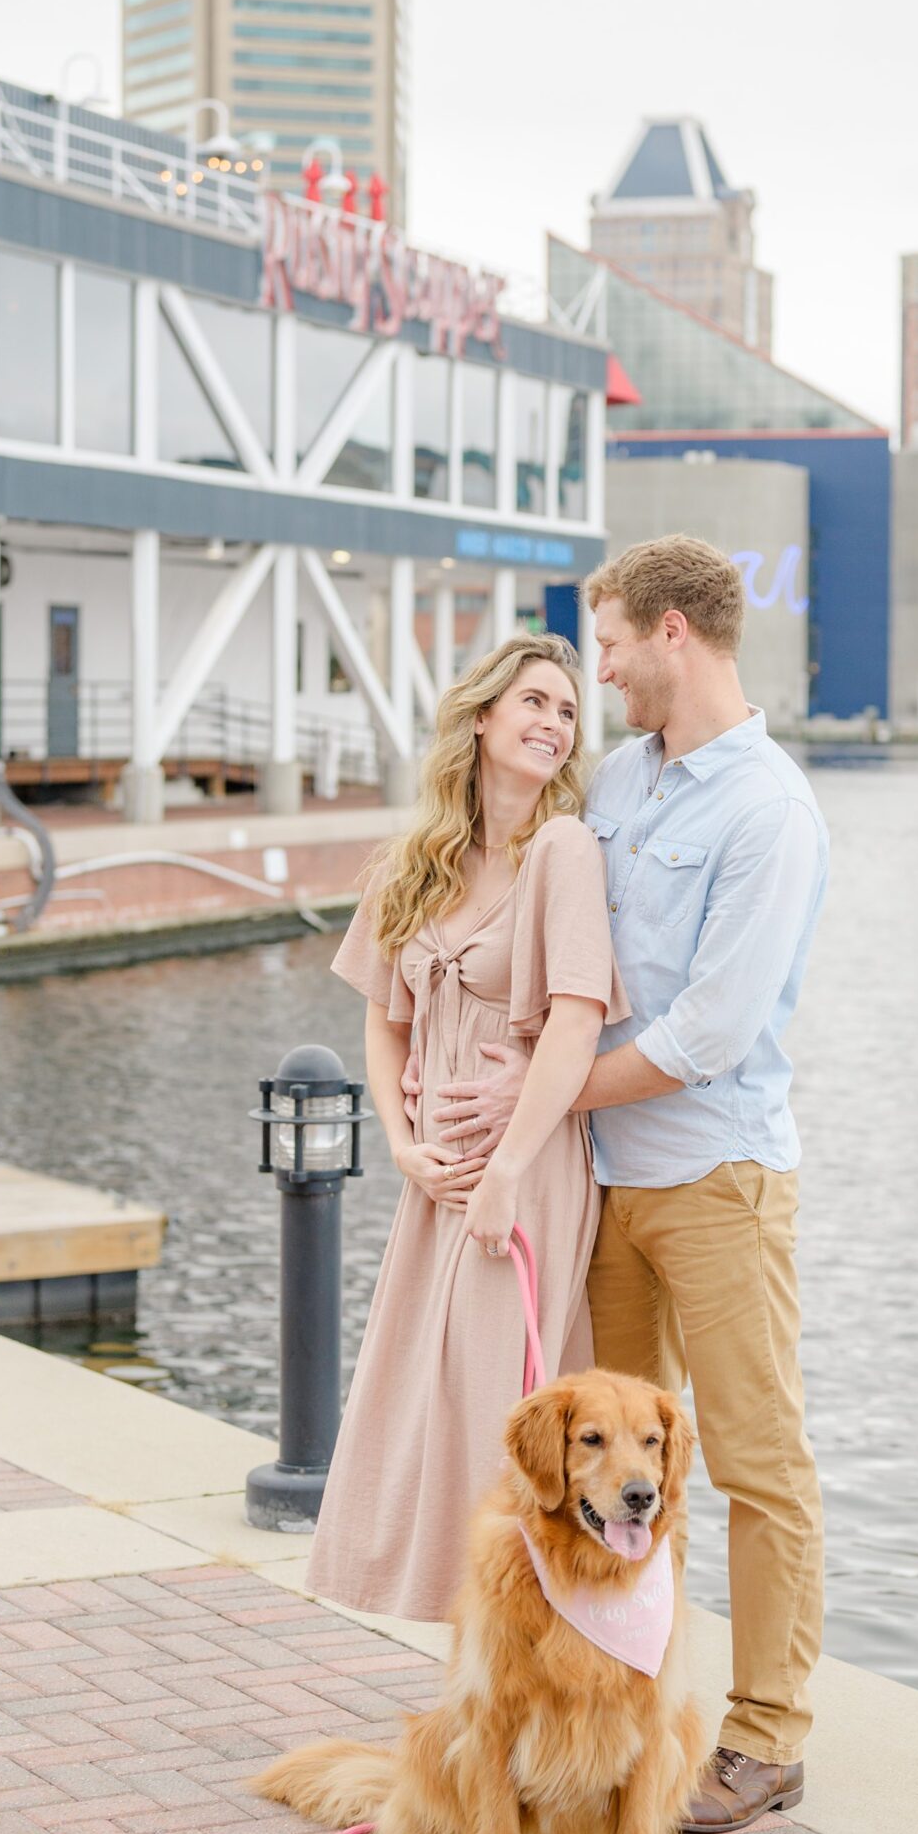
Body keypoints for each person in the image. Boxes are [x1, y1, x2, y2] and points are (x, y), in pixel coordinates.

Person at [430, 536, 829, 1834]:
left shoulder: (768, 812)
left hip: (716, 1183)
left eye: (604, 648)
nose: (593, 673)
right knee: (607, 1473)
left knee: (753, 1466)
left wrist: (533, 1103)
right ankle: (620, 1701)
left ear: (670, 634)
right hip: (603, 1189)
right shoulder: (617, 779)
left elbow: (706, 1034)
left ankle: (765, 1740)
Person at [309, 633, 626, 1622]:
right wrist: (402, 1145)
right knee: (419, 1399)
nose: (551, 723)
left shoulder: (562, 851)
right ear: (481, 717)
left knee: (502, 1402)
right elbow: (379, 1015)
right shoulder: (420, 860)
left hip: (520, 1172)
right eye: (533, 701)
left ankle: (520, 1642)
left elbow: (575, 1019)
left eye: (567, 711)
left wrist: (503, 1174)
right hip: (435, 1178)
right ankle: (463, 1654)